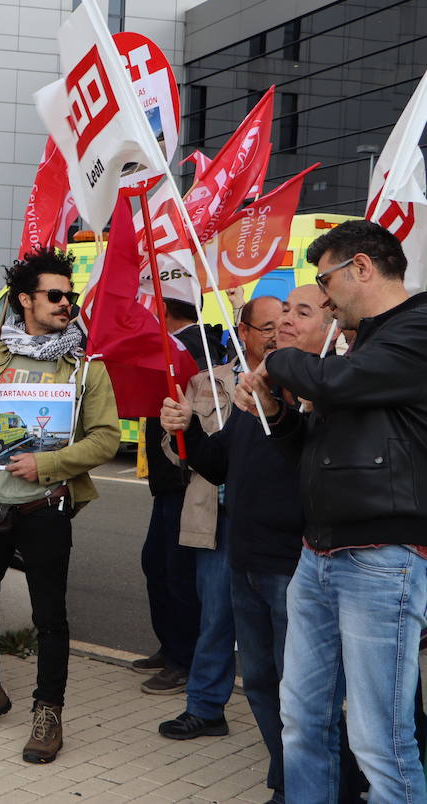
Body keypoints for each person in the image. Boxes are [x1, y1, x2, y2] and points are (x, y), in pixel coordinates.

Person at [235, 220, 427, 803]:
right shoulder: (364, 344)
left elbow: (340, 381)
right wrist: (280, 413)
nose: (325, 295)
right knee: (303, 721)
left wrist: (276, 362)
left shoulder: (415, 329)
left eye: (326, 280)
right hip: (318, 554)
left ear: (362, 268)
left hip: (381, 558)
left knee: (380, 740)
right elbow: (315, 451)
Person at [0, 247, 119, 765]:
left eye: (72, 296)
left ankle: (48, 713)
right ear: (25, 300)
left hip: (45, 508)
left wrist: (46, 466)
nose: (68, 304)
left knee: (50, 618)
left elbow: (106, 439)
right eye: (56, 295)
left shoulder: (85, 370)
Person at [159, 288, 328, 803]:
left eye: (298, 314)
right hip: (245, 559)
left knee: (299, 692)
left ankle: (310, 784)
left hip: (293, 565)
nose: (283, 325)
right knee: (258, 683)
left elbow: (303, 453)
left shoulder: (316, 391)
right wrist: (185, 429)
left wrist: (283, 402)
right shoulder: (253, 391)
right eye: (278, 319)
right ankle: (285, 777)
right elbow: (220, 463)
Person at [152, 295, 281, 743]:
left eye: (280, 323)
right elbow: (178, 455)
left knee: (277, 627)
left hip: (272, 526)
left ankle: (292, 720)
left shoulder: (292, 383)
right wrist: (178, 427)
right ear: (241, 332)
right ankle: (206, 708)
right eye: (264, 326)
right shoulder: (206, 380)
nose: (273, 333)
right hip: (218, 520)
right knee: (215, 618)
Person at [133, 296, 223, 695]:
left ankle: (182, 659)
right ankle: (170, 646)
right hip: (168, 482)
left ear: (164, 311)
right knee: (157, 565)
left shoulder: (191, 348)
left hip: (184, 481)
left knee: (178, 575)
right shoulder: (180, 344)